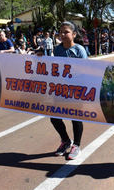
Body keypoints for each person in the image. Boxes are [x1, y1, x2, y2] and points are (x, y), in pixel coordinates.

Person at [38, 21, 87, 160]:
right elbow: (54, 67)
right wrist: (42, 58)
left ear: (74, 34)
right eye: (61, 32)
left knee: (75, 118)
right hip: (59, 90)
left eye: (66, 32)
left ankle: (76, 145)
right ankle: (65, 141)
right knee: (54, 117)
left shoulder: (79, 50)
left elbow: (86, 70)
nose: (63, 35)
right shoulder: (58, 49)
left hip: (76, 90)